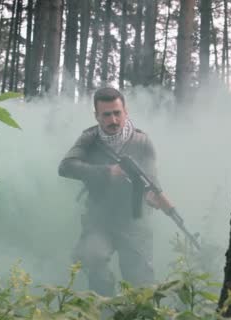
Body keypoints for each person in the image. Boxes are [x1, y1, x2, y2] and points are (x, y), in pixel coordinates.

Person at [58, 87, 161, 296]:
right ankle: (105, 309)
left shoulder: (142, 141)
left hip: (134, 219)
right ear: (96, 116)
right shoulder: (89, 139)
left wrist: (152, 196)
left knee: (141, 283)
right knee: (92, 258)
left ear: (126, 112)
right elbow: (66, 167)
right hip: (99, 219)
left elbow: (151, 178)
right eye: (106, 114)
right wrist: (106, 172)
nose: (113, 120)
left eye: (117, 113)